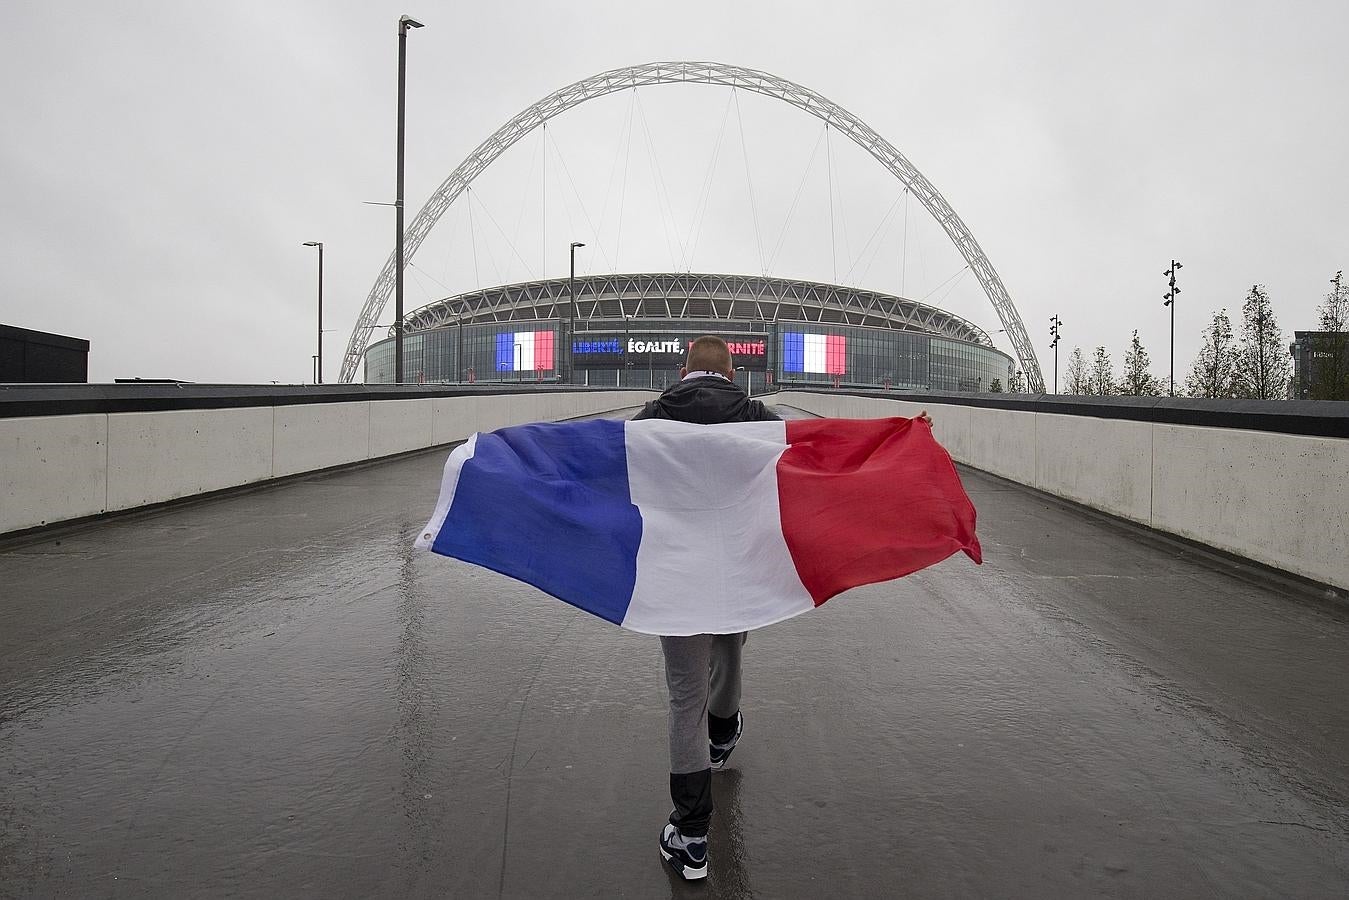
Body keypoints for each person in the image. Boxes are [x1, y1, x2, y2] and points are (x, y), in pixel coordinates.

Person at [632, 335, 777, 881]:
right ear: (732, 371)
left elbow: (610, 462)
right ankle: (724, 730)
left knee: (683, 695)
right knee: (732, 647)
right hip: (736, 562)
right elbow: (805, 456)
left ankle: (692, 837)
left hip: (676, 572)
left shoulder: (656, 413)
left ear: (683, 368)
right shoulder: (756, 414)